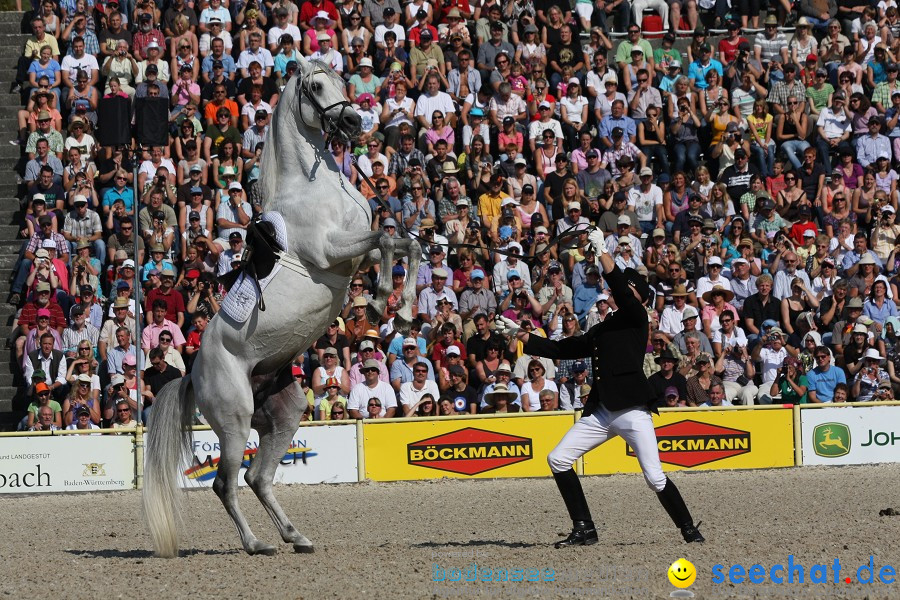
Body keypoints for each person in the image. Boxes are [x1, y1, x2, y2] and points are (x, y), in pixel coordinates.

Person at [496, 227, 704, 547]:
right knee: (558, 459)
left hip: (633, 410)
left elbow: (621, 289)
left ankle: (689, 530)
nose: (612, 288)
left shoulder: (636, 315)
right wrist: (523, 336)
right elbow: (564, 349)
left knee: (654, 477)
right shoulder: (605, 326)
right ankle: (585, 528)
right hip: (603, 410)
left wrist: (603, 250)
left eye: (623, 287)